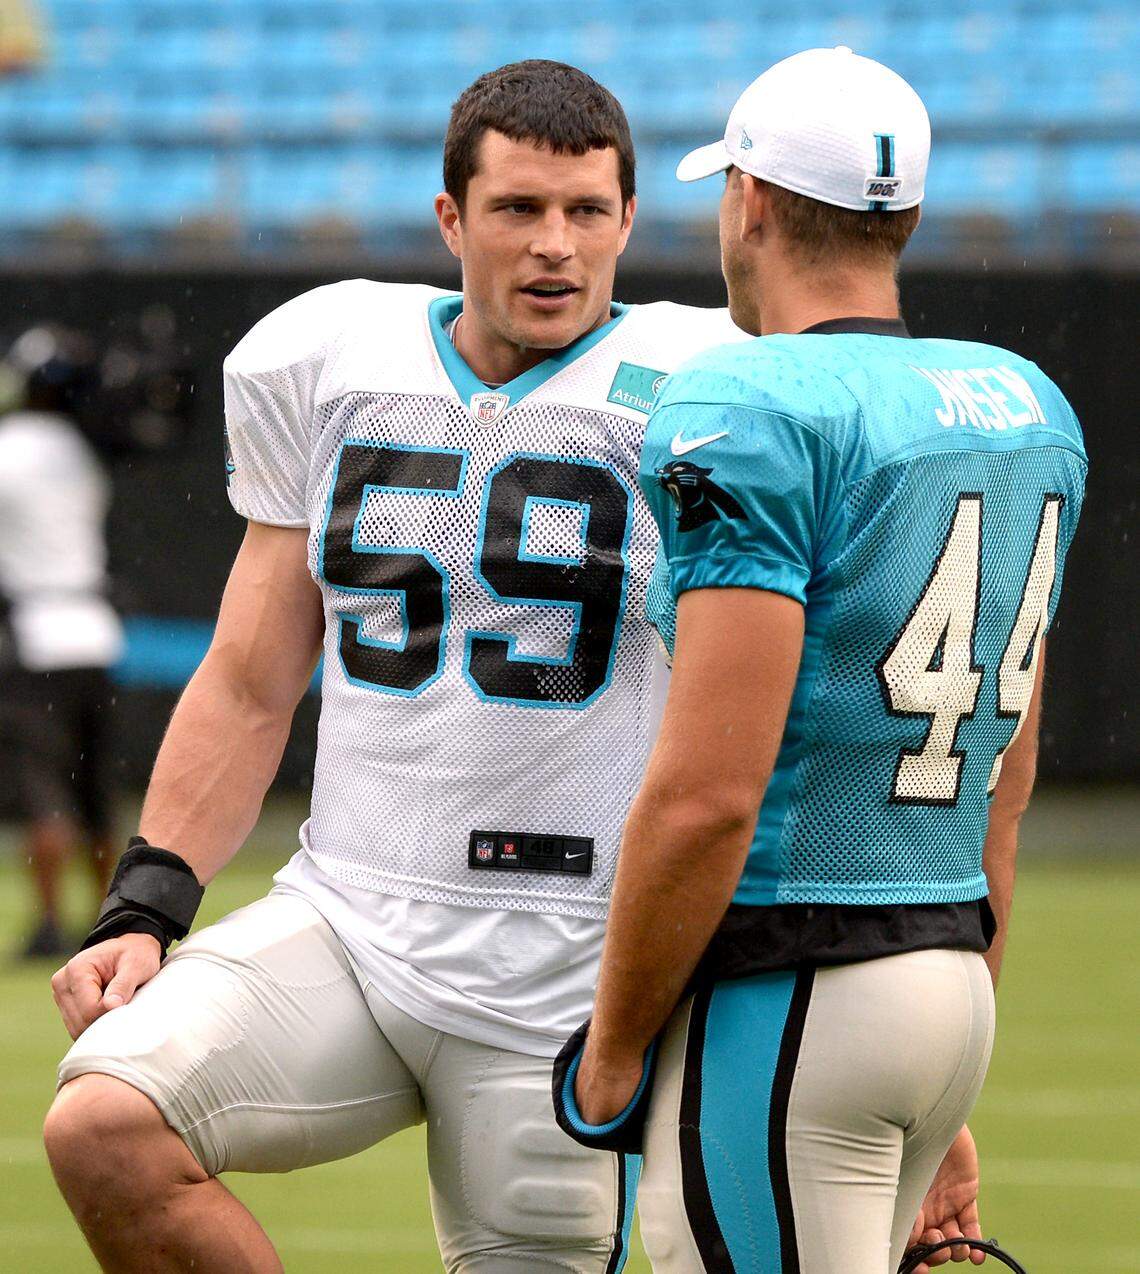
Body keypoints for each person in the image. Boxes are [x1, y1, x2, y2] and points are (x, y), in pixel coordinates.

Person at [42, 61, 744, 1273]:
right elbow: (254, 673)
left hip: (573, 962)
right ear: (450, 218)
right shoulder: (331, 359)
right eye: (519, 209)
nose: (555, 247)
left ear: (631, 219)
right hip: (351, 918)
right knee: (103, 1124)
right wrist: (149, 901)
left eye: (586, 211)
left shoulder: (713, 387)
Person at [554, 47, 1087, 1273]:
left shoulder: (749, 404)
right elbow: (1006, 779)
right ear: (902, 212)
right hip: (947, 972)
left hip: (791, 984)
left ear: (747, 200)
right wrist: (960, 1023)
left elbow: (708, 796)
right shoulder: (1024, 401)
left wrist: (618, 1038)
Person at [0, 327, 123, 958]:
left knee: (44, 789)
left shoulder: (9, 446)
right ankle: (106, 916)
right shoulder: (86, 450)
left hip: (39, 636)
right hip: (96, 633)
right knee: (95, 791)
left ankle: (49, 922)